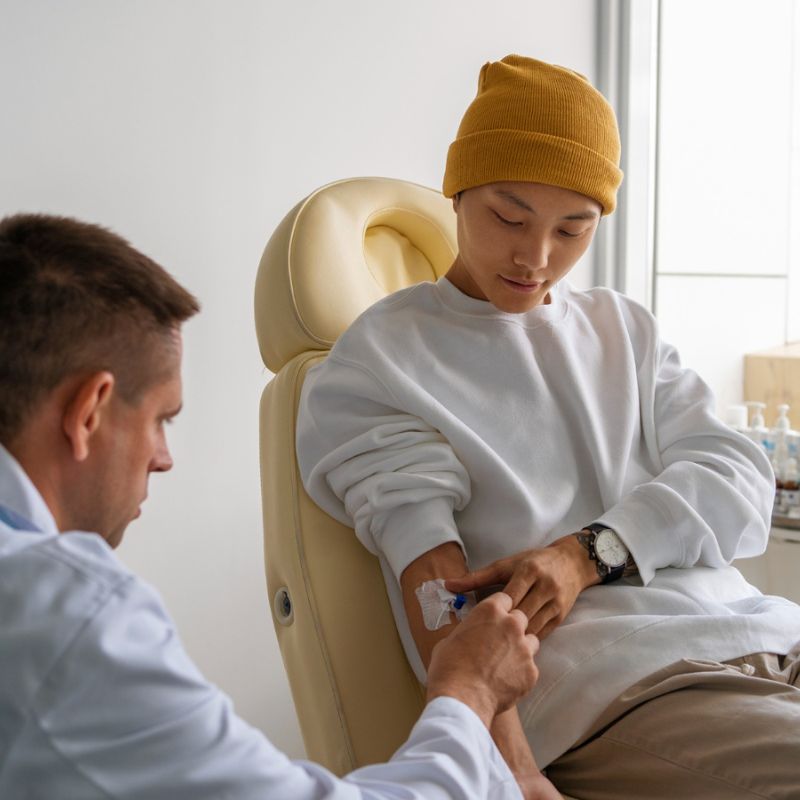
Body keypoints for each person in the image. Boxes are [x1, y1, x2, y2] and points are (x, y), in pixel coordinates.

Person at [296, 55, 800, 799]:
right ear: (458, 190)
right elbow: (440, 599)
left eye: (573, 228)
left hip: (763, 633)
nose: (535, 257)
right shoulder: (380, 364)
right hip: (624, 691)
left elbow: (738, 481)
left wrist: (585, 554)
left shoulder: (622, 329)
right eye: (509, 216)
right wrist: (518, 774)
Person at [0, 212, 557, 800]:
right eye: (161, 420)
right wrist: (469, 692)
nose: (163, 458)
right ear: (89, 412)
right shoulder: (63, 612)